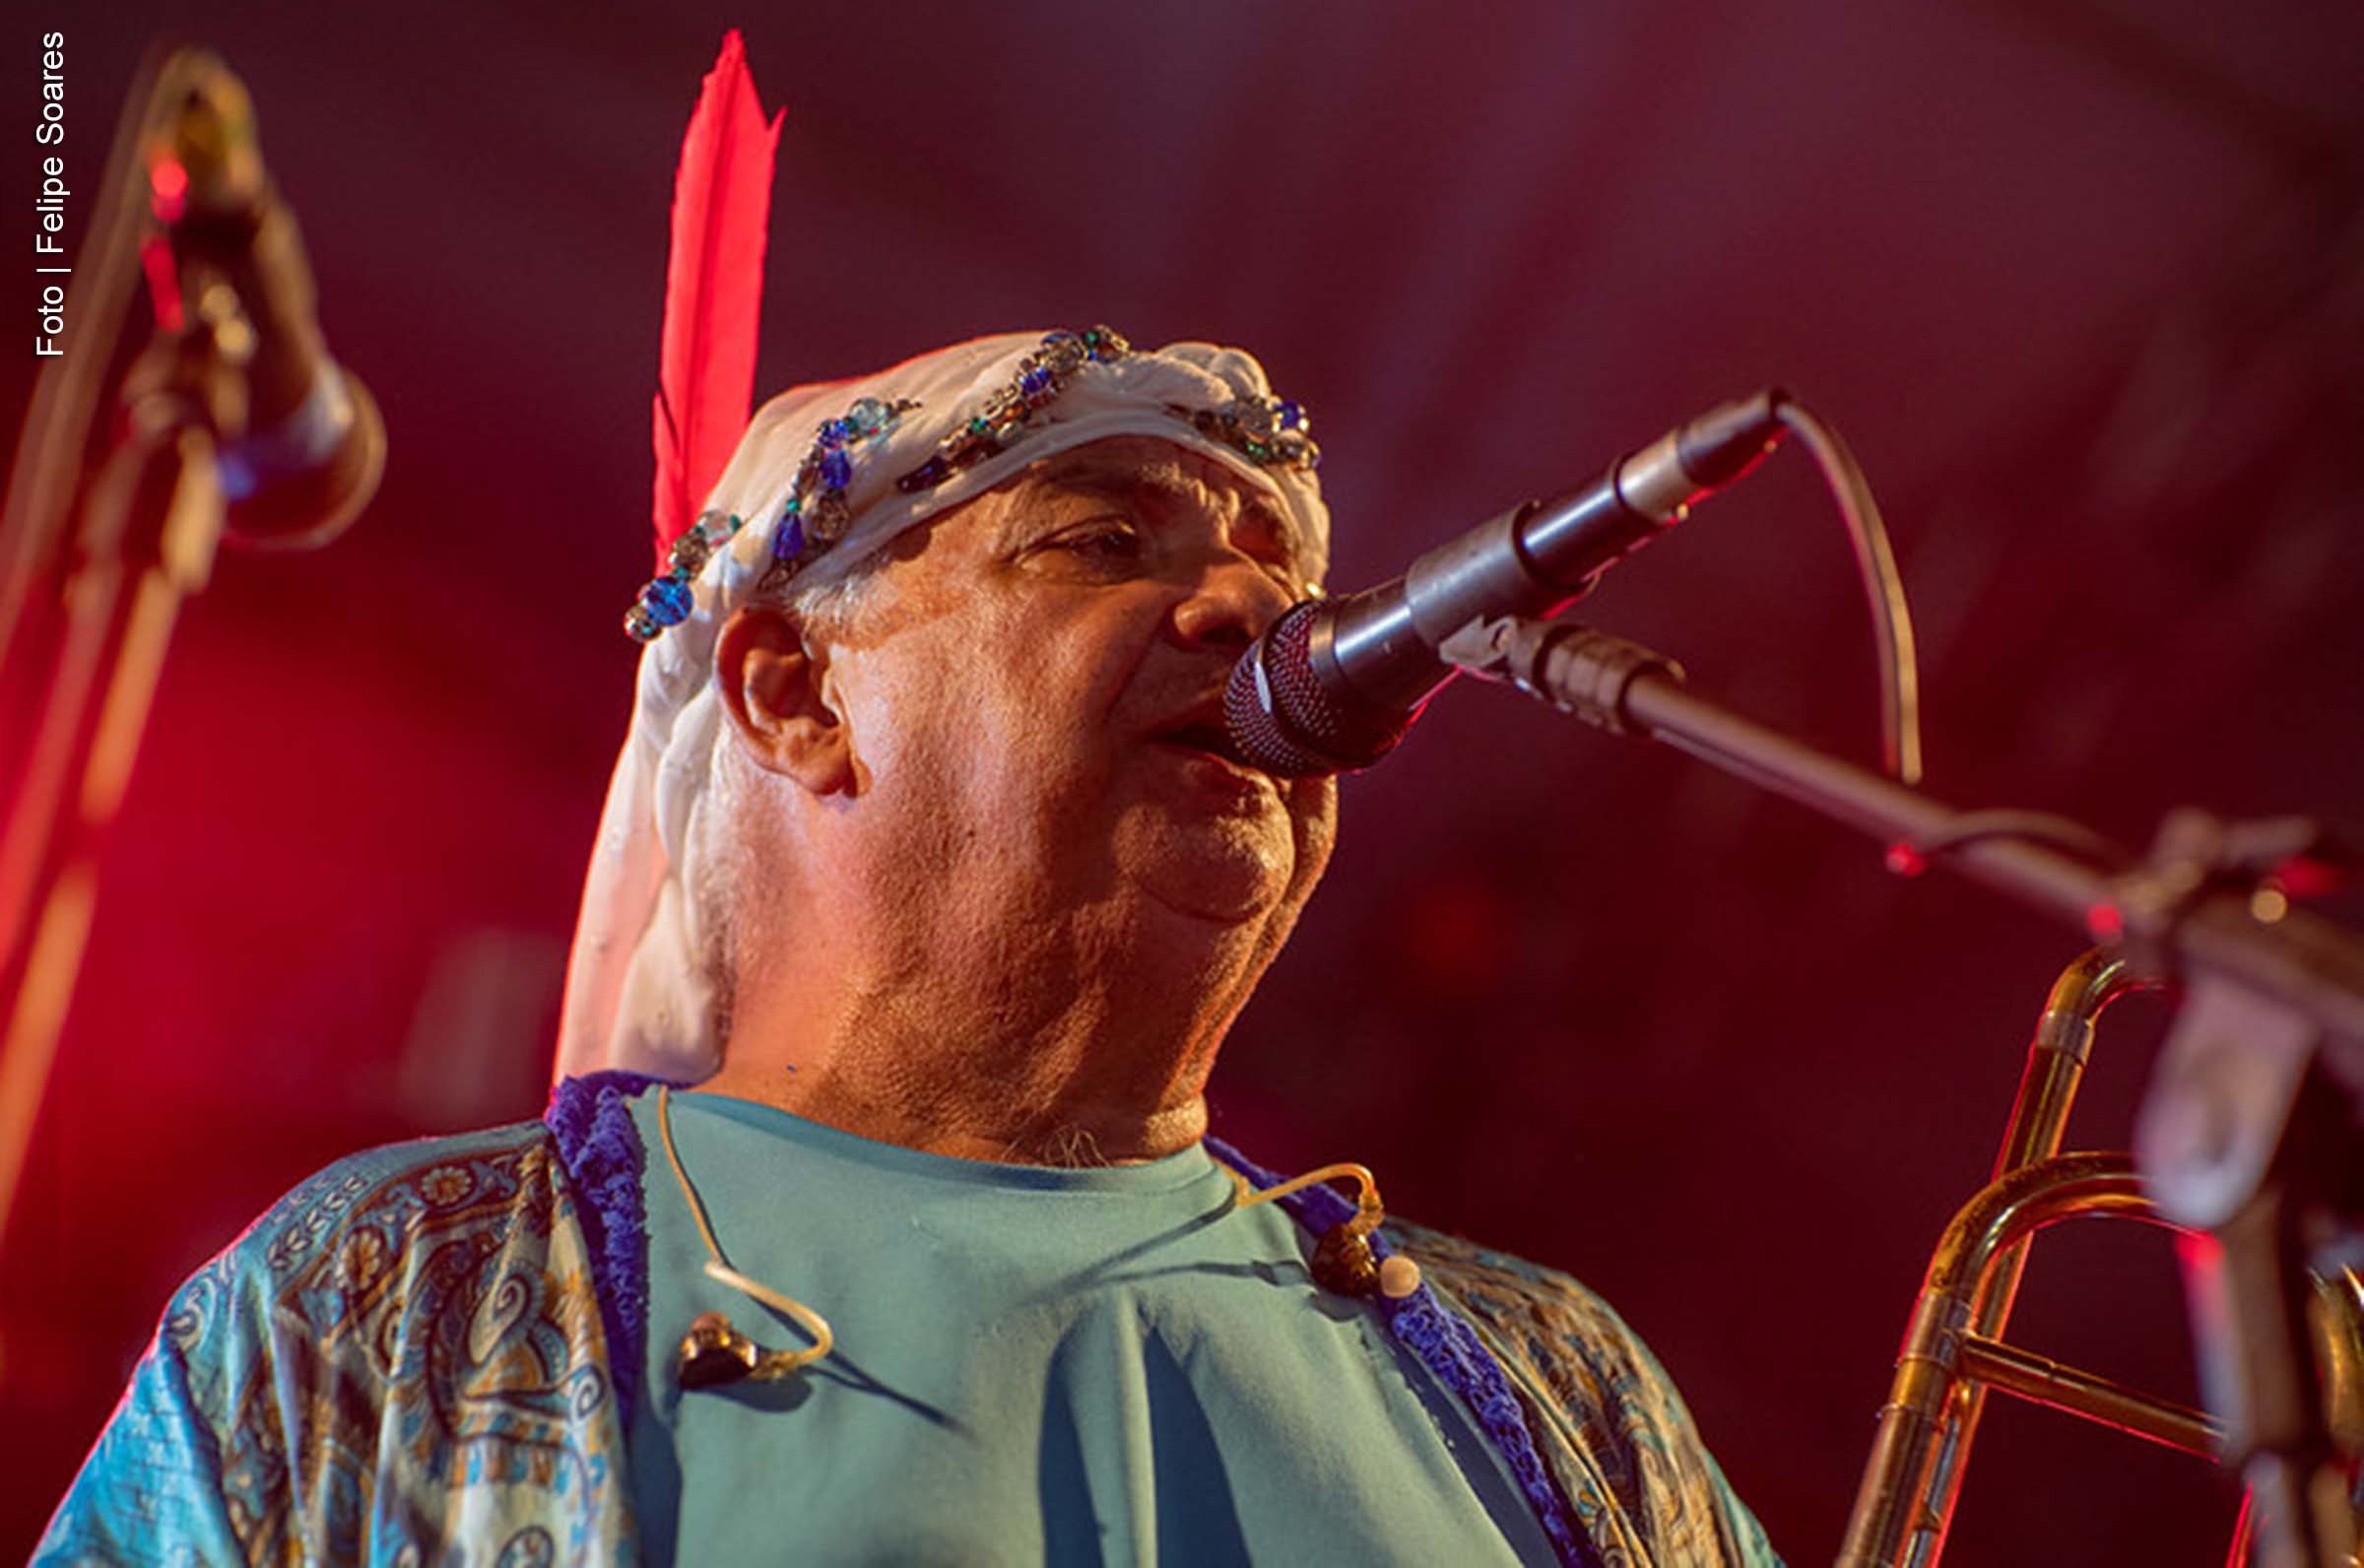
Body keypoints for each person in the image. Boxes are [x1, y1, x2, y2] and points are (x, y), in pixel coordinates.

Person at [37, 327, 1779, 1566]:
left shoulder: (1562, 1381)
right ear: (796, 692)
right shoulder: (394, 1299)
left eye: (1277, 567)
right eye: (1104, 539)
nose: (1265, 613)